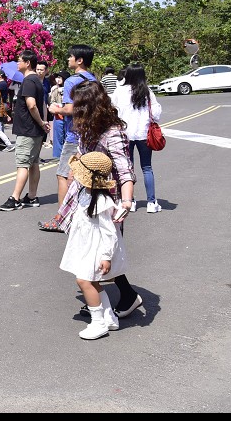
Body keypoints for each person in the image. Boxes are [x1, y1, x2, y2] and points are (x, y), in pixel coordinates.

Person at [67, 81, 143, 319]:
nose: (73, 108)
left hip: (109, 201)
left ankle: (104, 309)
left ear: (90, 105)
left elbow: (125, 170)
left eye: (77, 104)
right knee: (95, 252)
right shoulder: (86, 128)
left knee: (102, 252)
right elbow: (82, 156)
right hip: (87, 196)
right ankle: (108, 301)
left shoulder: (113, 132)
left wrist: (127, 203)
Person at [58, 151, 128, 340]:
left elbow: (109, 232)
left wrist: (106, 256)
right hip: (86, 245)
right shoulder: (84, 193)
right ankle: (109, 317)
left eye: (78, 172)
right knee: (93, 282)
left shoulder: (101, 201)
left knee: (83, 281)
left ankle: (98, 323)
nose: (73, 175)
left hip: (97, 249)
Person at [40, 45, 98, 232]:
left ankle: (62, 219)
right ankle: (81, 216)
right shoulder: (93, 79)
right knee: (82, 177)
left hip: (75, 134)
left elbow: (71, 109)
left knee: (63, 175)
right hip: (91, 133)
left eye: (70, 57)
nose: (68, 60)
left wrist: (56, 109)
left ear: (79, 60)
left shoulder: (72, 81)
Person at [0, 50, 50, 211]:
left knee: (22, 164)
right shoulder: (37, 80)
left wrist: (42, 122)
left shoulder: (28, 81)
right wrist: (43, 123)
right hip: (35, 130)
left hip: (28, 129)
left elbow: (32, 105)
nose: (17, 63)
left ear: (28, 63)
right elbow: (42, 105)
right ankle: (32, 196)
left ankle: (15, 198)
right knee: (33, 163)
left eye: (19, 60)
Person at [110, 64, 163, 213]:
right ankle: (151, 203)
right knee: (147, 167)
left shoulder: (119, 91)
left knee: (127, 168)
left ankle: (130, 201)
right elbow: (156, 113)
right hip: (143, 133)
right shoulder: (147, 91)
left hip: (124, 134)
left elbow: (113, 109)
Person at [49, 72, 66, 159]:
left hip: (67, 114)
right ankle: (59, 156)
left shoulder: (68, 88)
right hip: (58, 114)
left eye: (60, 77)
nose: (58, 79)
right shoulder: (54, 89)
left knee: (67, 136)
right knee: (58, 136)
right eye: (57, 77)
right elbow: (52, 101)